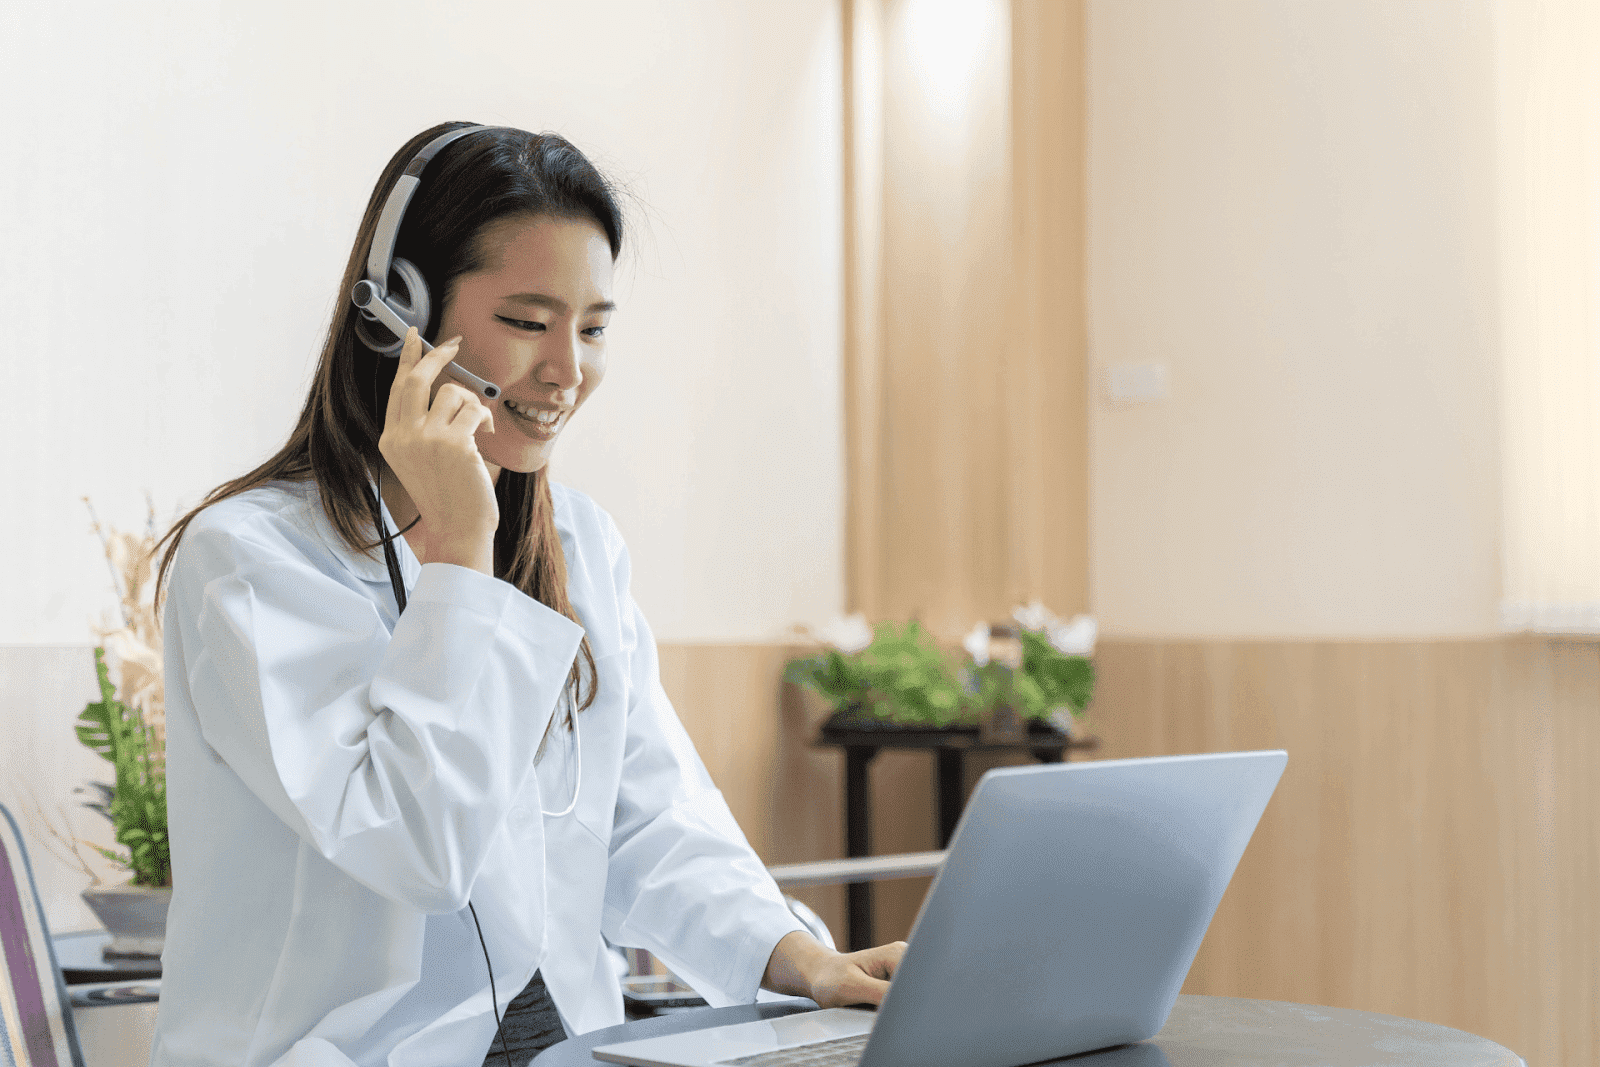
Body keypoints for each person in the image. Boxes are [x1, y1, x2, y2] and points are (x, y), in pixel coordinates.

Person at [147, 122, 905, 1067]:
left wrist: (800, 958)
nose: (566, 371)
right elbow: (417, 851)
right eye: (527, 321)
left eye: (592, 329)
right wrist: (464, 553)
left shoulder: (579, 544)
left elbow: (650, 812)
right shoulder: (253, 562)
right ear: (399, 311)